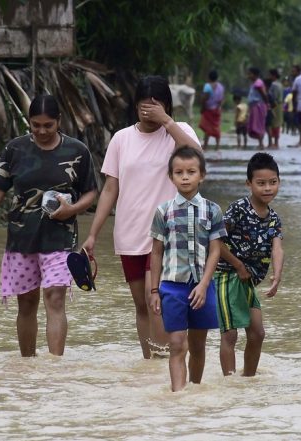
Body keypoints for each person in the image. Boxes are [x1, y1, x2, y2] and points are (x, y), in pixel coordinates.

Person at [0, 95, 97, 357]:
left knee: (55, 298)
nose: (42, 131)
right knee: (26, 303)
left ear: (59, 122)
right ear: (29, 122)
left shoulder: (77, 151)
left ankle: (54, 367)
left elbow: (91, 192)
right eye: (36, 125)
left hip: (61, 238)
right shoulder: (15, 150)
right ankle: (27, 365)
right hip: (21, 239)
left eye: (48, 125)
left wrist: (73, 210)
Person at [82, 75, 201, 359]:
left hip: (169, 232)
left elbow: (196, 158)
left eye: (155, 106)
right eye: (143, 106)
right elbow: (111, 188)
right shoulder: (122, 139)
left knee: (155, 299)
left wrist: (167, 122)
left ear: (166, 105)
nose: (148, 112)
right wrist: (93, 234)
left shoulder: (179, 131)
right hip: (129, 232)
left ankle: (165, 361)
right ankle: (149, 364)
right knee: (141, 304)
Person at [149, 146, 226, 391]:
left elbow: (215, 250)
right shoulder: (163, 211)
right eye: (178, 172)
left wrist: (204, 285)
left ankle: (194, 390)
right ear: (170, 176)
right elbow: (156, 251)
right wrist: (154, 290)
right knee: (176, 344)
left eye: (191, 172)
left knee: (198, 346)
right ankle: (178, 396)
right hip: (172, 285)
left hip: (202, 285)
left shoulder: (213, 210)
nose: (185, 177)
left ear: (201, 175)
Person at [214, 152, 284, 377]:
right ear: (249, 183)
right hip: (226, 276)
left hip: (247, 282)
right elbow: (215, 242)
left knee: (257, 333)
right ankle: (230, 383)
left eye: (273, 183)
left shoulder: (273, 218)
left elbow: (277, 248)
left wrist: (277, 274)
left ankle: (248, 380)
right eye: (261, 183)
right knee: (230, 335)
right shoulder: (238, 209)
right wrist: (238, 265)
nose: (267, 188)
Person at [199, 70, 225, 150]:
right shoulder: (221, 87)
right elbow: (221, 99)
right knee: (216, 126)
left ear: (209, 77)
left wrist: (202, 107)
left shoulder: (207, 86)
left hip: (208, 110)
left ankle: (205, 146)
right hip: (217, 110)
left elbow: (205, 98)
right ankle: (217, 146)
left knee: (207, 128)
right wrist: (219, 107)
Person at [246, 67, 269, 150]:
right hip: (254, 106)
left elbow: (264, 94)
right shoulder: (254, 83)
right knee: (255, 125)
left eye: (250, 74)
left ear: (255, 74)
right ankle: (260, 143)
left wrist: (267, 104)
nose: (248, 76)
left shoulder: (258, 83)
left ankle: (261, 144)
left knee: (258, 125)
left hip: (258, 106)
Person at [267, 69, 284, 149]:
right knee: (277, 123)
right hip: (279, 105)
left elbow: (273, 97)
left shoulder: (273, 85)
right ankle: (275, 142)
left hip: (275, 105)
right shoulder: (280, 84)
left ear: (273, 75)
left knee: (273, 123)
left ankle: (274, 143)